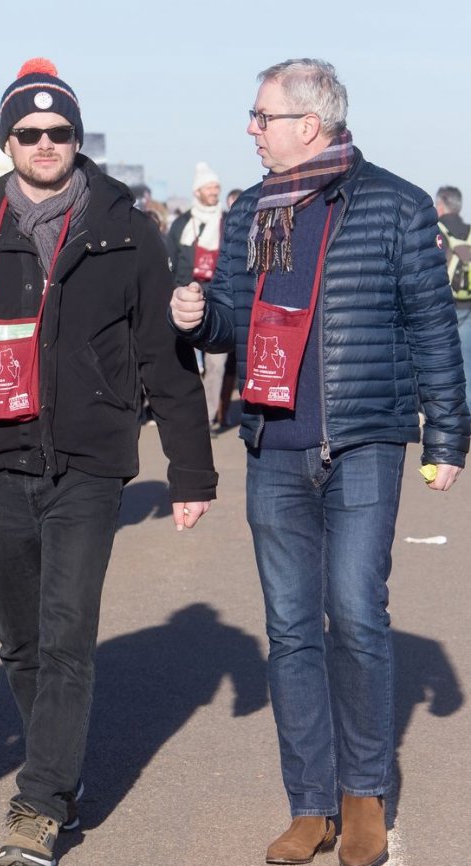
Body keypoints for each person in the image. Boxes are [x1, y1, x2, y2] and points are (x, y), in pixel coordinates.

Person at [0, 58, 217, 866]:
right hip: (0, 456)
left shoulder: (126, 229)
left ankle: (39, 801)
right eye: (31, 133)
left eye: (61, 132)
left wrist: (190, 471)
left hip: (91, 457)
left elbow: (163, 356)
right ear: (9, 141)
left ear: (78, 139)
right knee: (20, 639)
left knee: (68, 632)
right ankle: (62, 774)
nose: (46, 144)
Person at [170, 59, 469, 866]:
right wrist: (199, 320)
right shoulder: (247, 212)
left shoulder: (397, 206)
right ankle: (310, 803)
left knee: (358, 616)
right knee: (292, 630)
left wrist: (447, 435)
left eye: (261, 116)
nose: (251, 128)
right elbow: (231, 317)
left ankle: (363, 795)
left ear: (309, 124)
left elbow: (435, 330)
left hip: (364, 441)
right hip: (272, 446)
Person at [167, 162, 230, 432]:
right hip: (186, 296)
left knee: (217, 363)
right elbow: (168, 259)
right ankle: (185, 413)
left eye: (216, 187)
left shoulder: (228, 221)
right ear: (198, 191)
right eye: (210, 187)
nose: (215, 191)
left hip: (218, 298)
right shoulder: (182, 224)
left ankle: (207, 417)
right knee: (185, 362)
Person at [435, 185, 471, 409]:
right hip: (469, 305)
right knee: (467, 362)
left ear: (440, 205)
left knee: (440, 364)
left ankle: (446, 413)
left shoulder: (436, 230)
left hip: (443, 307)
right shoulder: (469, 231)